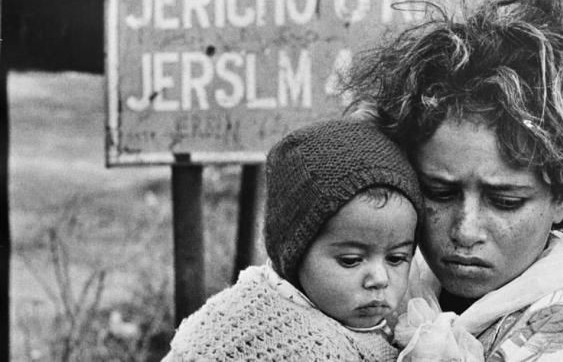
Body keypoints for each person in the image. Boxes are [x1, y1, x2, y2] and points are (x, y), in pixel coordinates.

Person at [343, 0, 563, 361]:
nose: (465, 231)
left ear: (561, 197)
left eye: (505, 201)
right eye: (439, 192)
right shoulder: (407, 291)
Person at [162, 119, 423, 361]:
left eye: (396, 258)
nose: (380, 278)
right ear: (294, 252)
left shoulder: (391, 324)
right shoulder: (277, 336)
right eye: (351, 260)